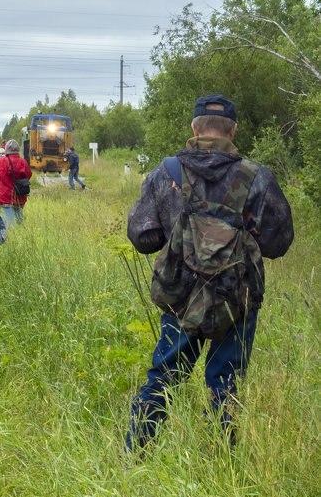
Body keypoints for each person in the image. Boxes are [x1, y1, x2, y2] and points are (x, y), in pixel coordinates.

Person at [124, 94, 293, 454]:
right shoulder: (256, 176)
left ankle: (134, 456)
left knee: (164, 377)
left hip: (181, 298)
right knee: (226, 383)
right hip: (238, 297)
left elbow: (142, 236)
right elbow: (279, 242)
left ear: (194, 128)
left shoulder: (166, 172)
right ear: (233, 129)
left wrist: (181, 238)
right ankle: (218, 464)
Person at [0, 138, 32, 226]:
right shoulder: (23, 162)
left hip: (6, 197)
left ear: (7, 150)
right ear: (17, 150)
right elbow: (29, 175)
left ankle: (12, 238)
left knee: (10, 224)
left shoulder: (0, 162)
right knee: (20, 222)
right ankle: (21, 238)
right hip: (20, 196)